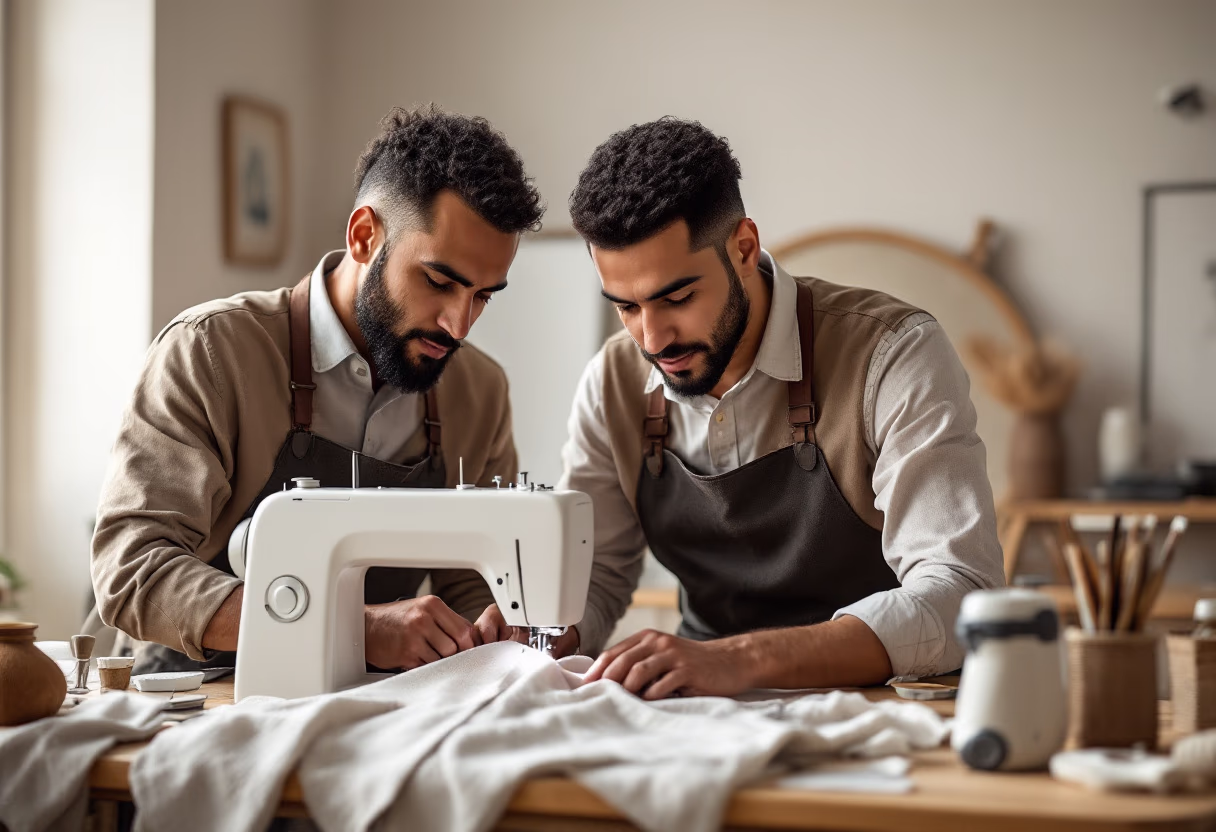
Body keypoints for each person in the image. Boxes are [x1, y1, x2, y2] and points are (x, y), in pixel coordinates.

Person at [558, 117, 1005, 698]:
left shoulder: (893, 353)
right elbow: (596, 575)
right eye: (626, 307)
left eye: (678, 298)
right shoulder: (611, 383)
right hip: (699, 706)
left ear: (744, 247)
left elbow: (960, 589)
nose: (652, 339)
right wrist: (548, 627)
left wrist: (740, 659)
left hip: (878, 702)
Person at [91, 106, 543, 673]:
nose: (460, 323)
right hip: (189, 692)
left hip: (358, 700)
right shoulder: (210, 351)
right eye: (438, 281)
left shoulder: (478, 391)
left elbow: (469, 581)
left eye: (483, 295)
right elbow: (132, 570)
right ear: (363, 236)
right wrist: (354, 628)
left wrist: (498, 621)